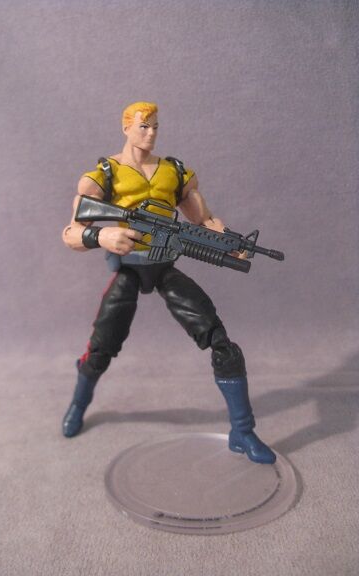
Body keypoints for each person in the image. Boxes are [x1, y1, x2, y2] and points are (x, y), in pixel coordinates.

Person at [61, 101, 276, 464]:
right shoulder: (105, 174)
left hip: (163, 267)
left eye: (156, 127)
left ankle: (243, 431)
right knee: (100, 349)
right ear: (126, 128)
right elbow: (71, 232)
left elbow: (204, 220)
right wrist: (101, 236)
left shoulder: (174, 172)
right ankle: (78, 405)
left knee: (221, 343)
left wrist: (231, 243)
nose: (151, 133)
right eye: (143, 126)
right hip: (129, 269)